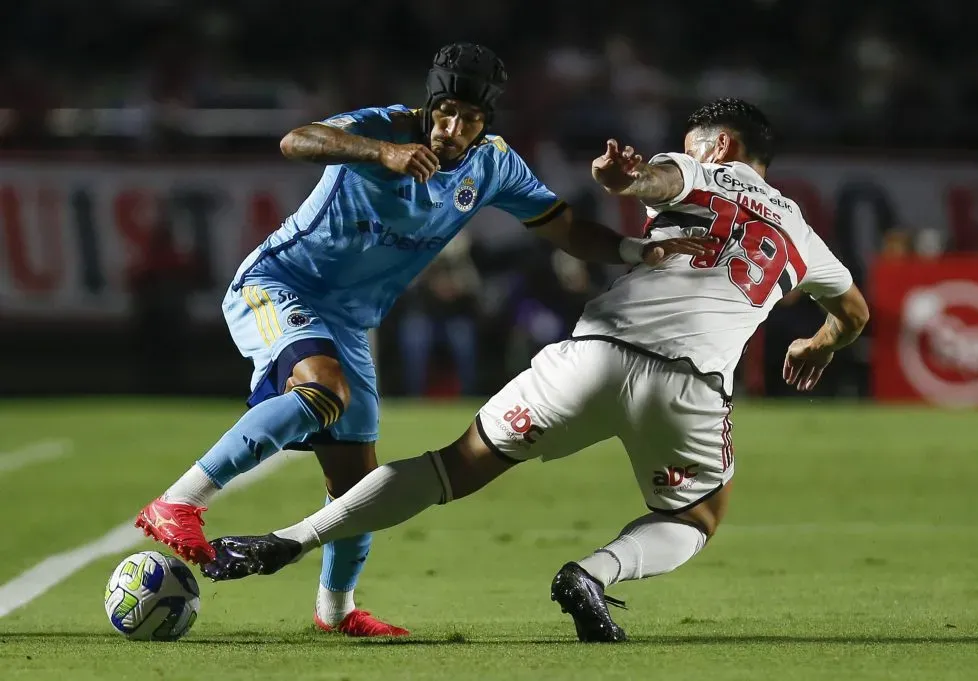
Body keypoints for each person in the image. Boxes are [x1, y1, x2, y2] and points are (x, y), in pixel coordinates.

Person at [202, 98, 866, 643]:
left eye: (694, 144)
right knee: (697, 513)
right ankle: (592, 574)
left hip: (590, 356)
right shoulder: (804, 234)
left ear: (720, 146)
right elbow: (855, 310)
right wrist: (821, 342)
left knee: (452, 466)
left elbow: (658, 180)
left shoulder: (703, 170)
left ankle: (290, 538)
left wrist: (628, 181)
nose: (688, 153)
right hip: (688, 386)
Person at [133, 43, 711, 638]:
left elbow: (565, 227)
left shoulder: (492, 166)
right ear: (427, 104)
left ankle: (335, 613)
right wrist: (379, 152)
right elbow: (296, 140)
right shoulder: (381, 127)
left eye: (469, 118)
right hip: (281, 285)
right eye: (444, 112)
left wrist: (633, 251)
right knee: (322, 391)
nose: (451, 128)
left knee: (355, 487)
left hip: (351, 322)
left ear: (487, 122)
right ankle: (179, 503)